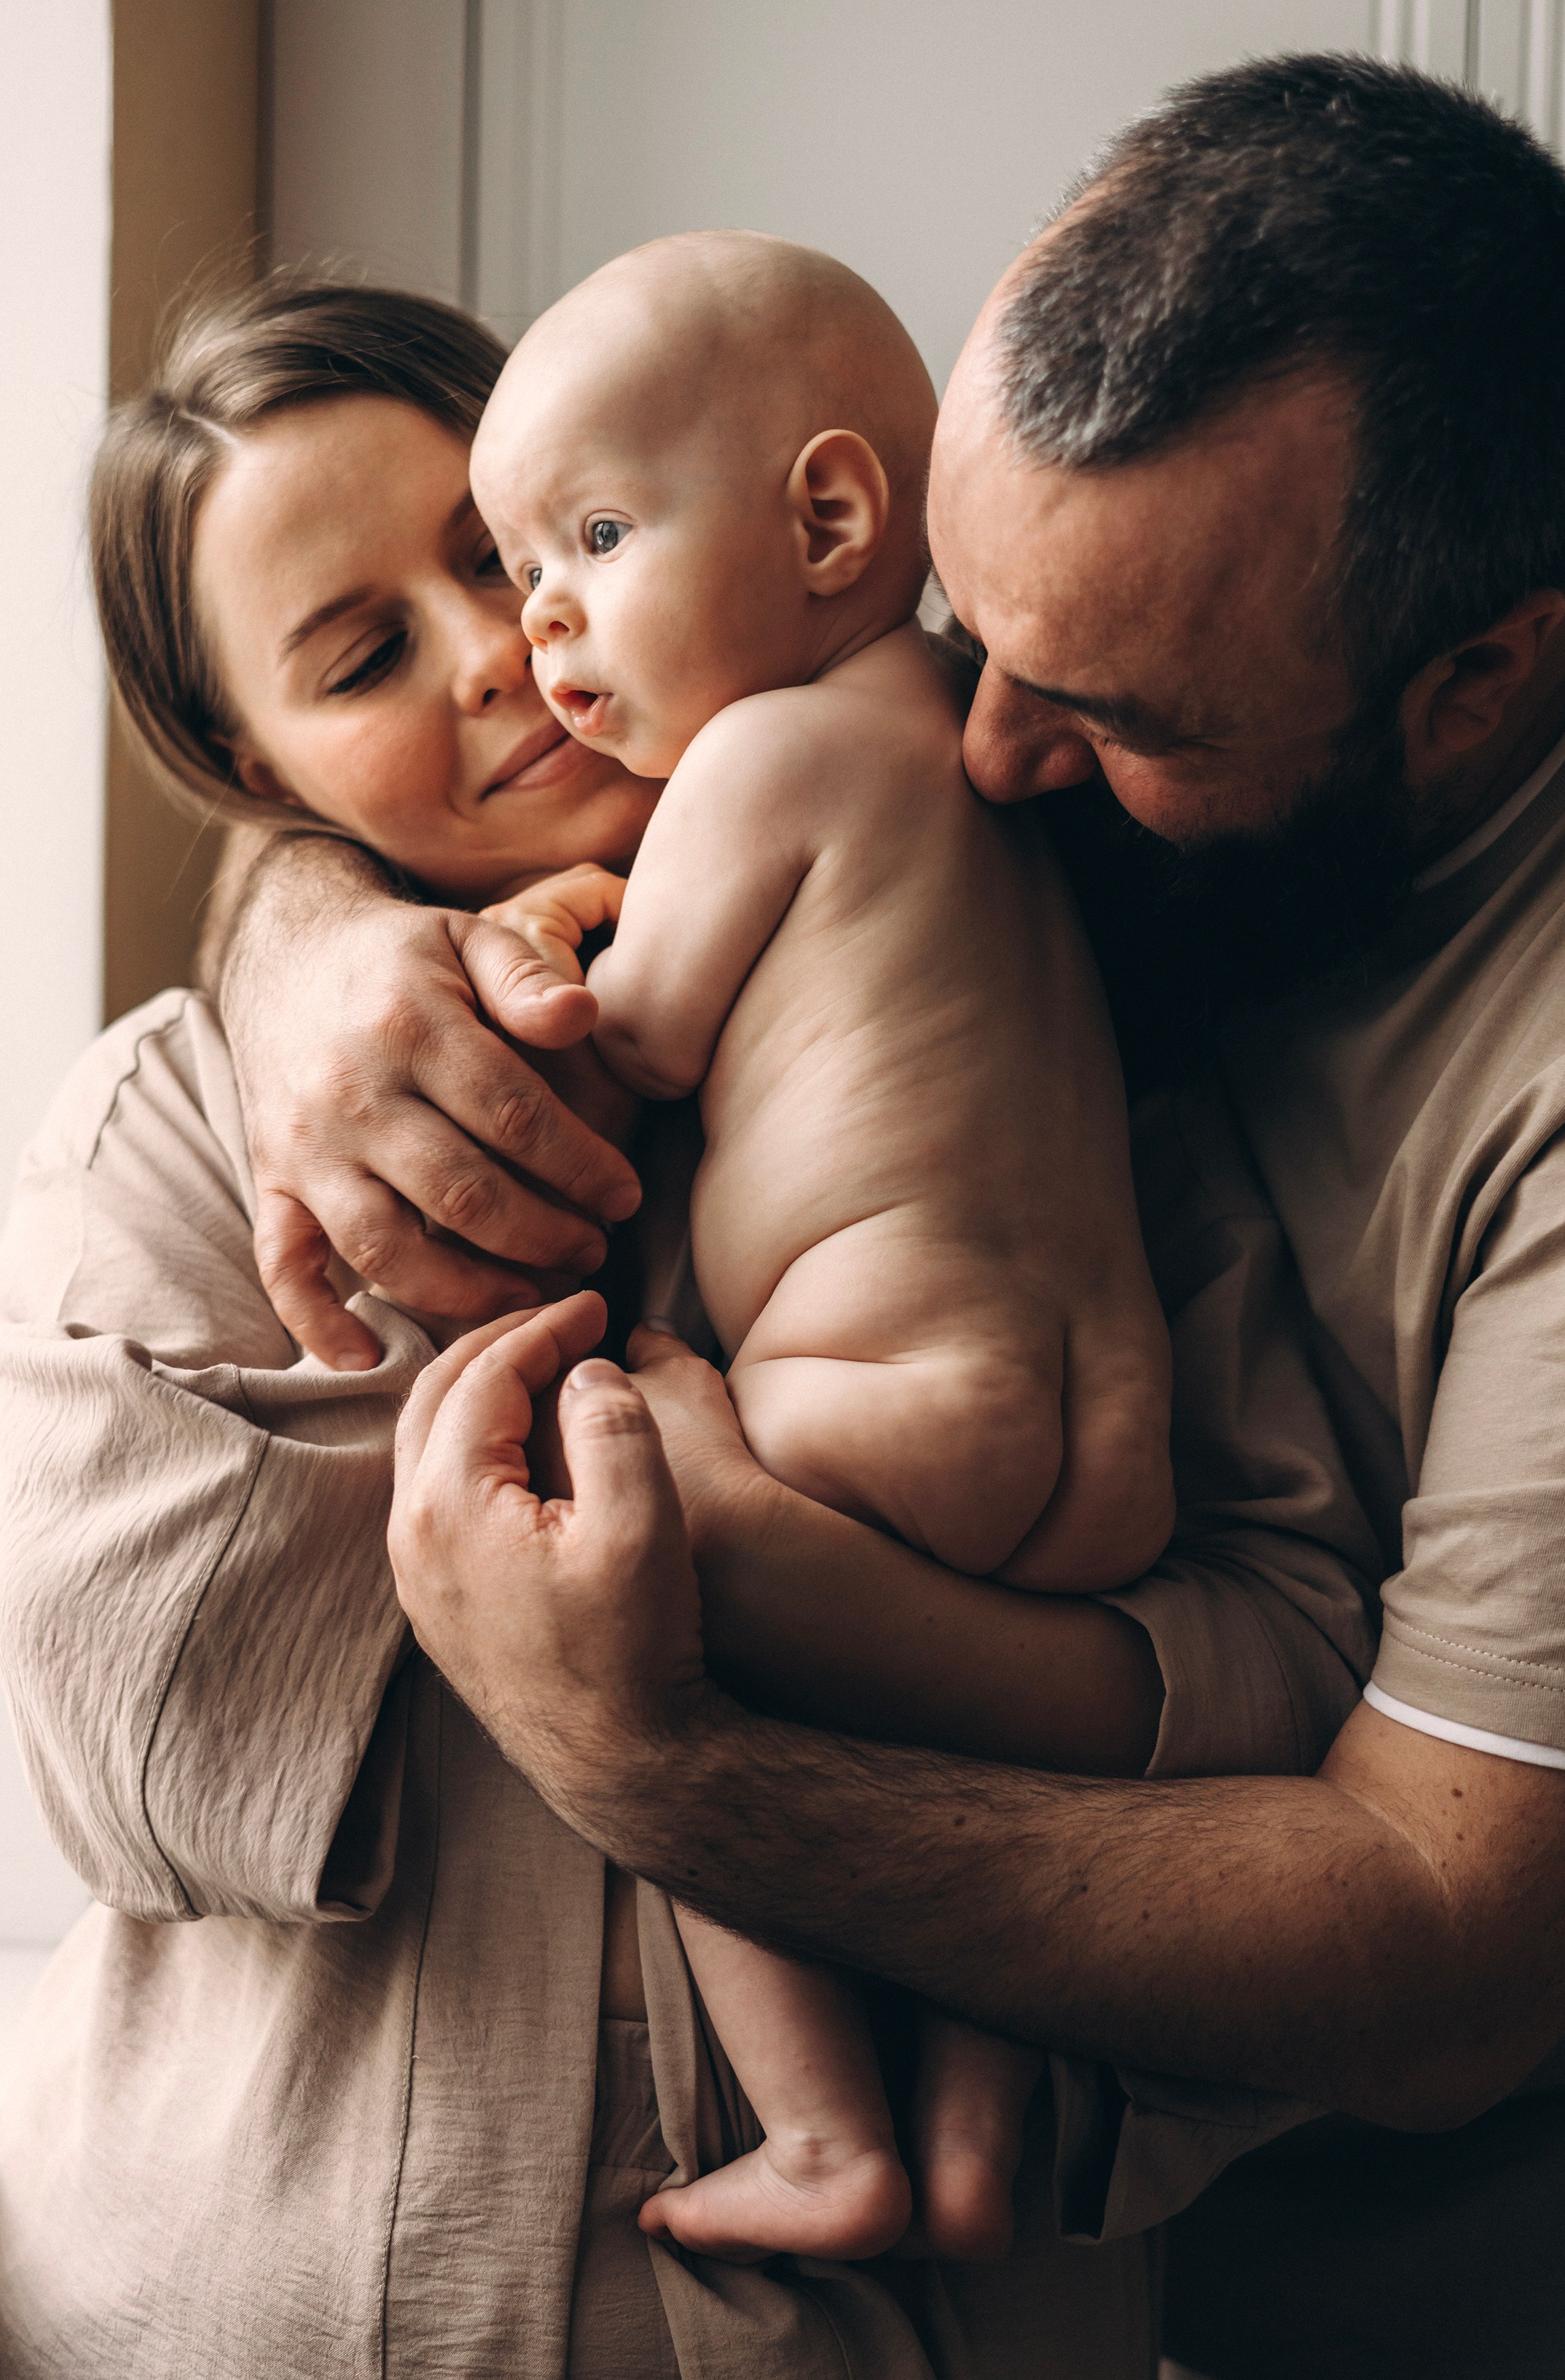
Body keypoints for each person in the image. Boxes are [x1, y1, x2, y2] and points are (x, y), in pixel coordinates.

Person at [213, 59, 1565, 2379]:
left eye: (1106, 712)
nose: (981, 749)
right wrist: (305, 950)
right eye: (977, 616)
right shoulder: (1078, 620)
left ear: (1477, 680)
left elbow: (1446, 1947)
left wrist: (659, 1761)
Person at [0, 278, 1171, 2379]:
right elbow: (148, 1770)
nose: (503, 653)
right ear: (253, 773)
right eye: (363, 655)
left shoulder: (1064, 978)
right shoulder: (182, 1124)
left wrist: (787, 1624)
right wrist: (332, 983)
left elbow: (1271, 1661)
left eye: (507, 551)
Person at [467, 226, 1172, 2262]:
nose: (540, 629)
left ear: (836, 517)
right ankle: (974, 2138)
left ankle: (828, 2130)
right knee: (976, 1793)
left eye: (594, 535)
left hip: (861, 1380)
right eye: (526, 569)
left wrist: (550, 933)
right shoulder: (971, 729)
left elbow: (636, 1048)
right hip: (1108, 1431)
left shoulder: (751, 761)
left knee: (691, 1716)